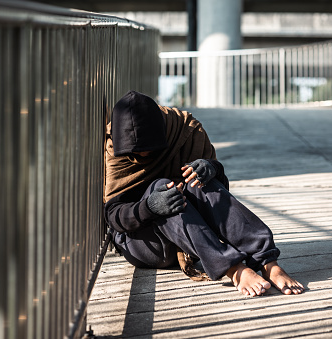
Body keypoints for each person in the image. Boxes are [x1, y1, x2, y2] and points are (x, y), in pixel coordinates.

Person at [104, 90, 304, 296]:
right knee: (163, 188)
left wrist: (212, 168)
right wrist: (149, 207)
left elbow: (219, 196)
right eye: (135, 153)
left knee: (196, 181)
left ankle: (268, 261)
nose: (143, 156)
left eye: (150, 149)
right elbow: (113, 216)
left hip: (194, 239)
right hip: (147, 243)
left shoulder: (184, 130)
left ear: (162, 130)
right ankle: (234, 269)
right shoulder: (115, 146)